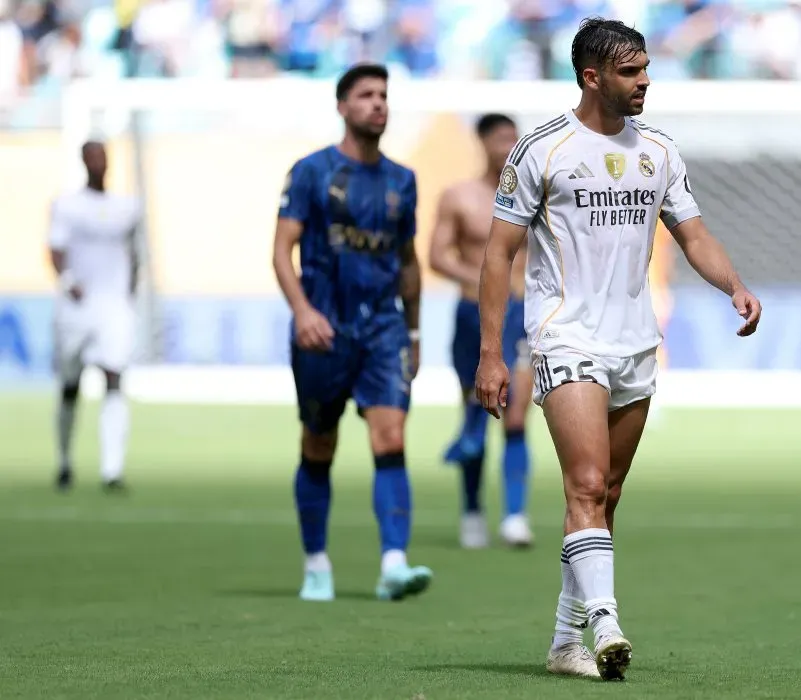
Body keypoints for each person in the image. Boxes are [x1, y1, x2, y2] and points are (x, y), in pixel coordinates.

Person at [475, 18, 762, 681]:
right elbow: (499, 253)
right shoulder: (540, 149)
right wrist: (492, 354)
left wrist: (734, 284)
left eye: (646, 70)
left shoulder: (659, 150)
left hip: (634, 340)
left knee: (607, 494)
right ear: (592, 76)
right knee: (585, 483)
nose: (645, 82)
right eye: (632, 72)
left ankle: (563, 641)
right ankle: (605, 622)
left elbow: (693, 235)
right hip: (564, 333)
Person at [272, 63, 433, 603]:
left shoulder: (403, 180)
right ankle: (316, 563)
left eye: (383, 95)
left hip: (383, 328)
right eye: (365, 95)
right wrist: (302, 312)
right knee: (319, 444)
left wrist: (412, 332)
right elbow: (280, 250)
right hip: (324, 328)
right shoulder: (312, 172)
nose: (377, 104)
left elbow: (408, 262)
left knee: (391, 437)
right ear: (342, 106)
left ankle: (393, 563)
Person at [428, 113, 534, 550]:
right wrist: (478, 278)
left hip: (524, 315)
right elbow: (437, 256)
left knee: (516, 414)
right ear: (484, 143)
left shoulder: (536, 195)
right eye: (501, 138)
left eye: (515, 137)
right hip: (473, 316)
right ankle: (472, 509)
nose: (509, 145)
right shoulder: (460, 197)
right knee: (477, 411)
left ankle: (514, 515)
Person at [49, 141, 141, 493]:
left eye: (104, 158)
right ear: (84, 163)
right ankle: (64, 461)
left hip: (113, 307)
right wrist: (68, 281)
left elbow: (134, 254)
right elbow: (55, 249)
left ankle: (112, 470)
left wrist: (129, 293)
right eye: (93, 158)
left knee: (114, 378)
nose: (100, 164)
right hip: (76, 308)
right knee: (70, 386)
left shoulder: (126, 208)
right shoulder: (67, 206)